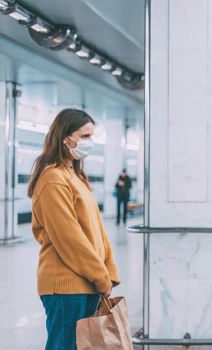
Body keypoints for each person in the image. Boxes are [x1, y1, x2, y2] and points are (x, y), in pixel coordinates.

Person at [27, 108, 121, 350]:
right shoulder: (52, 179)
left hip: (86, 282)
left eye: (91, 136)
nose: (89, 142)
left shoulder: (74, 176)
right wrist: (100, 277)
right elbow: (70, 239)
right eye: (85, 136)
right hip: (66, 287)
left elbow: (97, 231)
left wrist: (108, 270)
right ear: (65, 138)